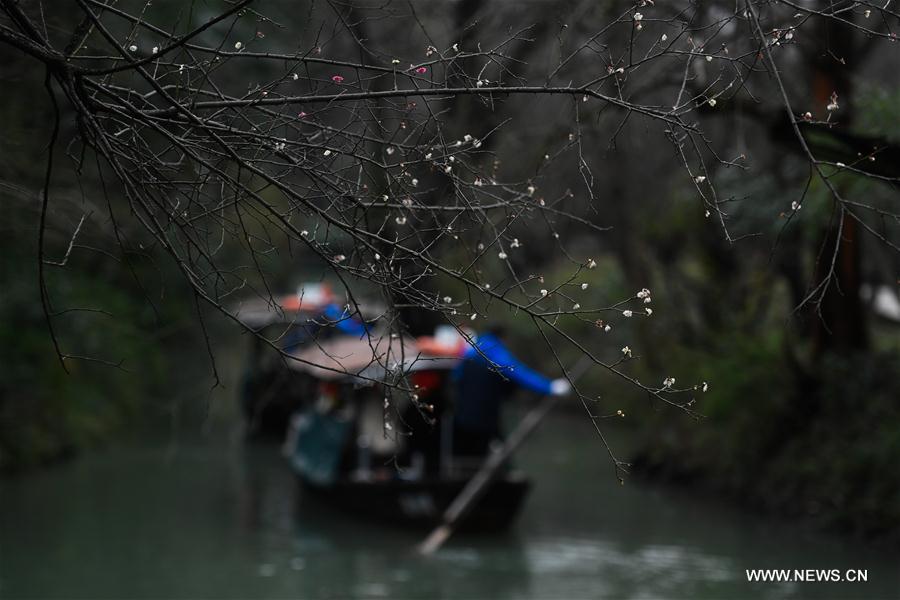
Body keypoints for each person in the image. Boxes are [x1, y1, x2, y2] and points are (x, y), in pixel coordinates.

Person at [452, 326, 571, 459]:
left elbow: (456, 377)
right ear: (502, 338)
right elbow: (519, 373)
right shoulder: (495, 352)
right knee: (483, 449)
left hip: (461, 417)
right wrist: (550, 387)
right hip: (484, 418)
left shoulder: (472, 351)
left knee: (465, 454)